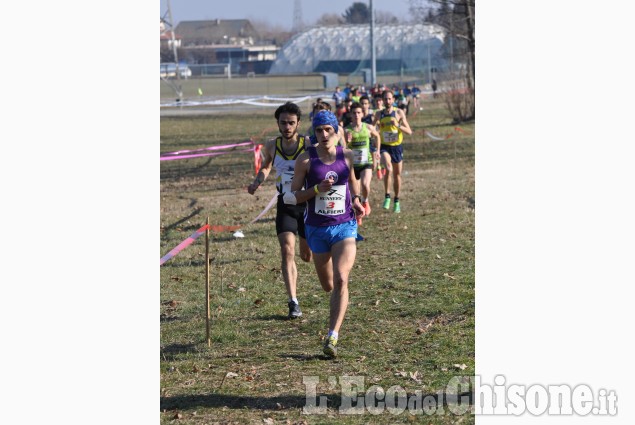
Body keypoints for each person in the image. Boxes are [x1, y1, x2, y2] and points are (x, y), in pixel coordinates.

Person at [285, 110, 365, 358]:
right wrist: (316, 189)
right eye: (319, 130)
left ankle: (332, 336)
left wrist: (359, 200)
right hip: (317, 229)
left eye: (328, 129)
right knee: (328, 284)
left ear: (336, 130)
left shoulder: (347, 155)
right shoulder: (306, 161)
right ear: (314, 133)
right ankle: (334, 308)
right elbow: (292, 196)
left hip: (345, 225)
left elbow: (353, 182)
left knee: (342, 278)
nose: (323, 134)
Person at [247, 102, 312, 319]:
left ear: (298, 124)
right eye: (283, 122)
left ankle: (309, 247)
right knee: (287, 250)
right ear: (278, 123)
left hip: (307, 205)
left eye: (291, 123)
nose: (287, 127)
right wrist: (257, 181)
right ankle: (293, 301)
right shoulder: (272, 145)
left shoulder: (308, 144)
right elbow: (266, 166)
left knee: (306, 255)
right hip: (285, 204)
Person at [372, 89, 413, 213]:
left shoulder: (399, 112)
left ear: (393, 100)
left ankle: (396, 200)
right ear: (382, 100)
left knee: (397, 175)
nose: (387, 101)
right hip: (385, 146)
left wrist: (398, 125)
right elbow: (372, 129)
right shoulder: (379, 114)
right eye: (385, 99)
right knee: (388, 168)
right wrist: (376, 132)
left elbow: (409, 131)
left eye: (390, 99)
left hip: (397, 147)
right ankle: (387, 196)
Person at [344, 101, 381, 223]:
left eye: (359, 112)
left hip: (366, 162)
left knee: (365, 185)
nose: (356, 115)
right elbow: (344, 148)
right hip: (353, 165)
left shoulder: (368, 127)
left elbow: (377, 136)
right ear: (350, 114)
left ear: (362, 113)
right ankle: (358, 213)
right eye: (354, 113)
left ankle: (365, 201)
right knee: (355, 193)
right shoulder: (347, 130)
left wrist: (377, 151)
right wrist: (347, 141)